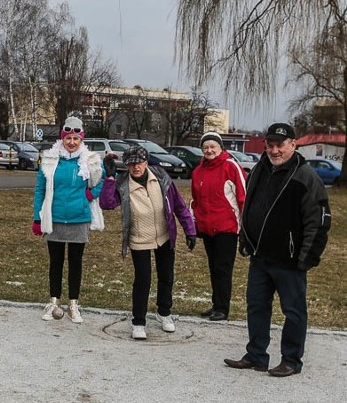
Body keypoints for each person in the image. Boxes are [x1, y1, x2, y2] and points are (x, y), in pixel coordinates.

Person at [225, 123, 330, 377]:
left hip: (290, 260)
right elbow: (249, 205)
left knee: (293, 312)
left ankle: (292, 360)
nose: (274, 150)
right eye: (270, 145)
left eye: (280, 145)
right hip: (260, 256)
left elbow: (319, 221)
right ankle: (256, 355)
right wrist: (245, 238)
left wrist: (307, 257)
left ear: (293, 145)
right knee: (256, 306)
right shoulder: (260, 169)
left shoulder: (306, 177)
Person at [100, 145, 196, 339]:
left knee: (166, 276)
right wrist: (109, 178)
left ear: (146, 162)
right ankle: (138, 321)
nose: (136, 167)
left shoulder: (161, 177)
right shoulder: (122, 183)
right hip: (139, 237)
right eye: (131, 164)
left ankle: (164, 312)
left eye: (140, 162)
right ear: (126, 165)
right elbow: (106, 203)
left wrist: (189, 230)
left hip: (164, 235)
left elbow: (179, 205)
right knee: (143, 280)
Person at [32, 115, 104, 323]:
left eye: (76, 139)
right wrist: (38, 218)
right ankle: (54, 301)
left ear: (81, 140)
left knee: (75, 262)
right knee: (55, 262)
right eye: (68, 138)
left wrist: (89, 195)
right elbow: (40, 189)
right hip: (54, 219)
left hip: (78, 218)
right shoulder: (50, 159)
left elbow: (101, 182)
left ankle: (74, 304)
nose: (72, 142)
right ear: (62, 139)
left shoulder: (90, 159)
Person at [190, 131, 247, 321]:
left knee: (223, 268)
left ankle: (222, 308)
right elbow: (196, 200)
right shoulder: (198, 171)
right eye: (205, 147)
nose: (209, 150)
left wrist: (245, 227)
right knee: (213, 266)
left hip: (227, 227)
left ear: (221, 148)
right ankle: (216, 303)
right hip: (207, 228)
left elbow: (243, 196)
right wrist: (196, 223)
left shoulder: (230, 166)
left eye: (213, 146)